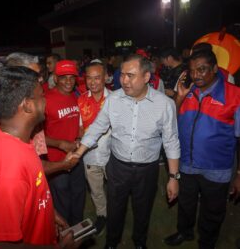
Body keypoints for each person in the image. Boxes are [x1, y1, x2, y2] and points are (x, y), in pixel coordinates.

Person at [73, 54, 180, 249]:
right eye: (122, 75)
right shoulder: (113, 99)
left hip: (147, 170)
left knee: (143, 210)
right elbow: (97, 127)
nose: (124, 80)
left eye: (130, 75)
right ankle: (111, 243)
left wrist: (173, 177)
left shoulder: (165, 104)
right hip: (118, 167)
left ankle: (139, 243)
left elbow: (171, 141)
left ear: (147, 77)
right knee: (115, 209)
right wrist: (78, 153)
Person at [0, 66, 76, 249]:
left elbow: (32, 192)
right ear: (27, 105)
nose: (45, 101)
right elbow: (5, 246)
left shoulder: (21, 142)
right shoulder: (6, 173)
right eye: (41, 95)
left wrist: (50, 214)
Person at [164, 50, 240, 249]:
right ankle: (184, 231)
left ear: (215, 69)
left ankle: (206, 242)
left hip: (217, 168)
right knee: (186, 203)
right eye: (192, 70)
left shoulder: (234, 95)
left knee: (212, 210)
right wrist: (179, 98)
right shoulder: (187, 91)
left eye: (202, 69)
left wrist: (239, 173)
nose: (196, 75)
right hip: (187, 164)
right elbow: (169, 123)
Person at [0, 52, 76, 174]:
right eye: (35, 75)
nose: (41, 79)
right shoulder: (18, 108)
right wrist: (64, 165)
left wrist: (60, 144)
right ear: (15, 76)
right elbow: (31, 165)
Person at [44, 60, 86, 226]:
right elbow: (37, 136)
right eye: (63, 77)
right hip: (57, 160)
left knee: (79, 195)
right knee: (62, 200)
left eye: (72, 77)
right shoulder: (46, 100)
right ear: (55, 78)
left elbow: (77, 125)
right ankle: (65, 232)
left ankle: (77, 231)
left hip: (76, 156)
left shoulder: (76, 97)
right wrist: (61, 144)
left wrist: (78, 137)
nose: (68, 81)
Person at [77, 62, 111, 235]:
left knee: (114, 189)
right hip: (89, 156)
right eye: (89, 78)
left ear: (105, 77)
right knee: (96, 190)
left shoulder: (115, 99)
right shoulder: (80, 100)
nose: (93, 82)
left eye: (97, 77)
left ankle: (115, 215)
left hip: (113, 155)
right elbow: (80, 128)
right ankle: (102, 215)